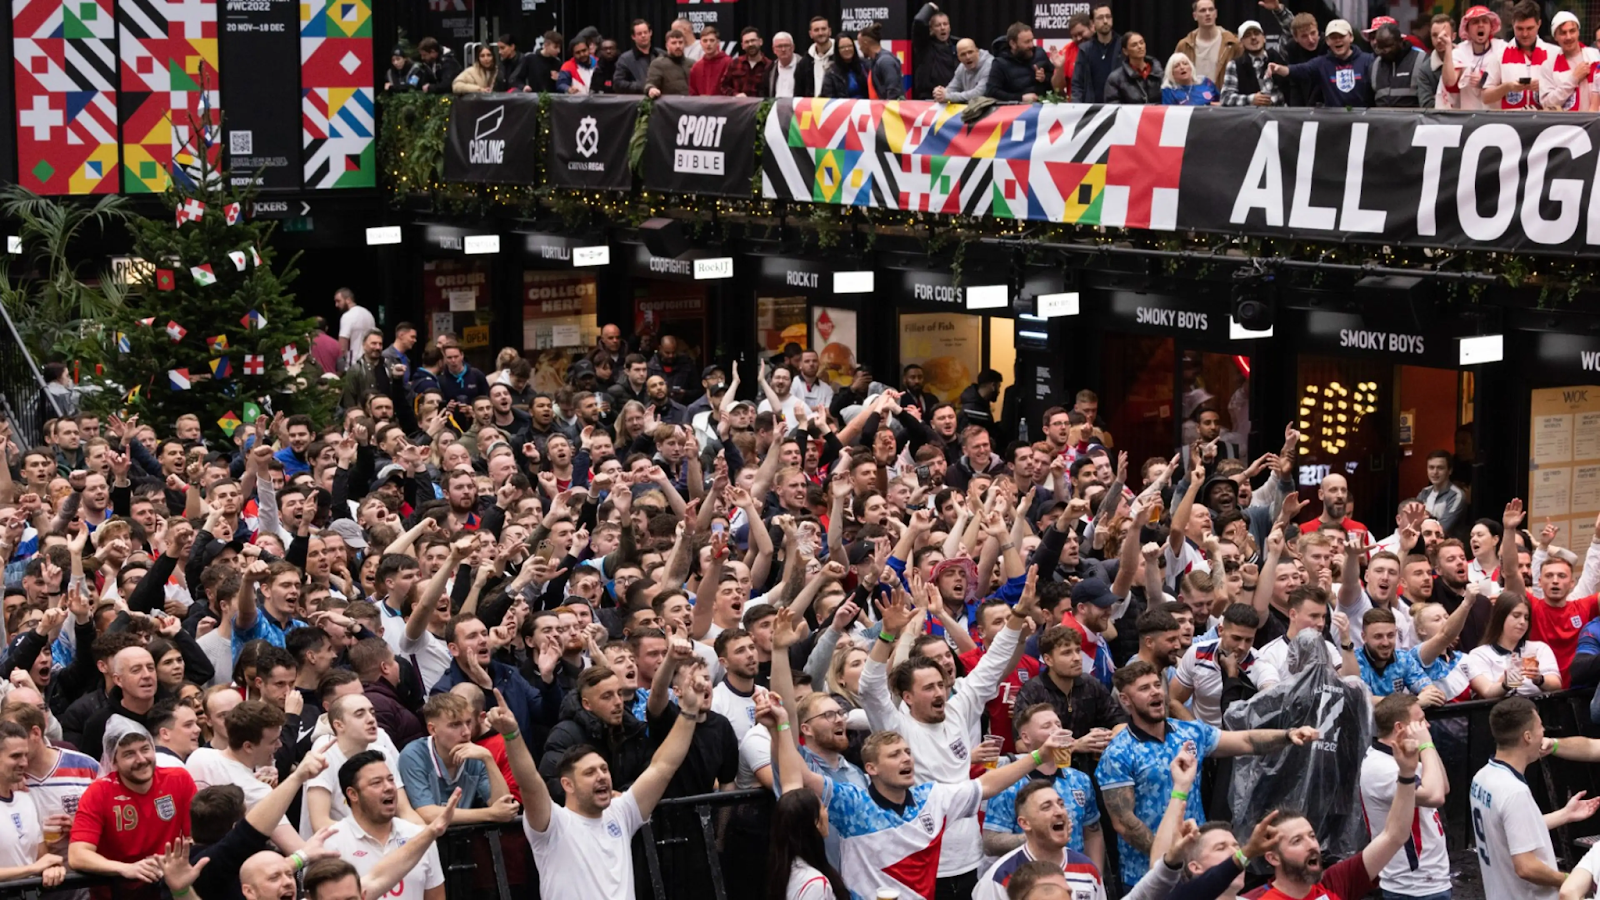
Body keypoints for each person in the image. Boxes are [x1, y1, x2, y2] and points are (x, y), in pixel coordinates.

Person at [495, 656, 707, 900]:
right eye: (589, 772)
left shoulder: (622, 812)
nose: (602, 777)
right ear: (567, 784)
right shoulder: (553, 824)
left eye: (604, 769)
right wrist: (511, 735)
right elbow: (530, 781)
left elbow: (663, 766)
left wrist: (689, 711)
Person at [1097, 661, 1320, 889]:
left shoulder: (1190, 732)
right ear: (1125, 700)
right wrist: (1172, 857)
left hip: (1200, 868)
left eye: (1157, 685)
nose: (1155, 691)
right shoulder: (1118, 752)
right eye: (1144, 689)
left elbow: (1245, 740)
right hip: (1145, 876)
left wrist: (1288, 734)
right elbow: (1124, 822)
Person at [1471, 697, 1600, 899]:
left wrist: (1565, 814)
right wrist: (1570, 879)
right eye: (1540, 726)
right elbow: (1526, 867)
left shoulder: (1482, 777)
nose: (1544, 733)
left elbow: (1511, 830)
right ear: (1528, 737)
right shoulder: (1515, 792)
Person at [69, 719, 197, 900]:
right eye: (129, 754)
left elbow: (197, 837)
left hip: (168, 888)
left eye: (145, 749)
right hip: (116, 894)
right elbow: (77, 855)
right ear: (114, 760)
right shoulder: (99, 792)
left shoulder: (178, 778)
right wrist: (126, 868)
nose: (141, 760)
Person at [1358, 694, 1450, 900]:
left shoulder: (1399, 755)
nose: (1427, 725)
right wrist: (1426, 745)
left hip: (1429, 878)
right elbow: (1435, 796)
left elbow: (1443, 786)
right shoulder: (1382, 767)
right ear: (1400, 728)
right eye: (1420, 721)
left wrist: (1427, 746)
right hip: (1411, 885)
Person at [320, 750, 446, 900]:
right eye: (376, 783)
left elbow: (436, 896)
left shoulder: (420, 837)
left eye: (391, 779)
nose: (389, 787)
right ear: (353, 794)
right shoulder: (330, 844)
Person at [975, 780, 1107, 900]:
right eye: (1046, 807)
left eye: (1061, 804)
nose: (1059, 811)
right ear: (1025, 823)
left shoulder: (1087, 869)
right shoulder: (1000, 876)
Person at [0, 720, 65, 886]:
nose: (24, 763)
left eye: (25, 755)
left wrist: (52, 868)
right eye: (15, 756)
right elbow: (36, 865)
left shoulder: (24, 800)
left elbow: (41, 857)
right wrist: (33, 869)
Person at [1268, 19, 1373, 107]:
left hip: (1363, 122)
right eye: (1333, 37)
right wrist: (1278, 68)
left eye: (1341, 36)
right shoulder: (1322, 63)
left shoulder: (1368, 60)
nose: (1337, 40)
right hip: (1334, 124)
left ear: (1351, 37)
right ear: (1327, 41)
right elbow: (1299, 70)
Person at [764, 788, 847, 900]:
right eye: (823, 808)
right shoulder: (815, 884)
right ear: (816, 822)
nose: (826, 812)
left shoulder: (782, 870)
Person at [1481, 0, 1556, 110]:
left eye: (1529, 28)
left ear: (1538, 24)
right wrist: (1507, 87)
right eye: (1520, 28)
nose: (1525, 34)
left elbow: (1567, 93)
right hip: (1510, 124)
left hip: (1545, 123)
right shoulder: (1499, 55)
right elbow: (1485, 97)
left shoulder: (1553, 53)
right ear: (1512, 24)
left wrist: (1544, 86)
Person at [1436, 5, 1506, 110]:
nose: (1481, 25)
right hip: (1470, 119)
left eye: (1485, 21)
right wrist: (1448, 47)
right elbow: (1449, 81)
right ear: (1467, 29)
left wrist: (1484, 82)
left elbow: (1511, 81)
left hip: (1497, 117)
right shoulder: (1460, 51)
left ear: (1491, 27)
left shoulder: (1502, 48)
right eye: (1475, 22)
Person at [1174, 0, 1240, 85]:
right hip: (1193, 96)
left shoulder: (1232, 43)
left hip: (1222, 96)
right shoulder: (1184, 45)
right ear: (1195, 16)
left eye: (1211, 9)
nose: (1208, 13)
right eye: (1203, 10)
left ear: (1216, 13)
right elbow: (1173, 75)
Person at [987, 23, 1053, 103]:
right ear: (1013, 44)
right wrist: (1020, 98)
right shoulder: (1000, 63)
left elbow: (1053, 79)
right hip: (1016, 111)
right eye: (1027, 42)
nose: (1031, 45)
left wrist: (1044, 78)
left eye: (1032, 40)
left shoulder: (1040, 53)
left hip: (1043, 107)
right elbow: (992, 91)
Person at [1071, 4, 1122, 103]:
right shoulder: (1085, 49)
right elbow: (1077, 84)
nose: (1105, 21)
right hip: (1092, 111)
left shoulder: (1123, 46)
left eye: (1108, 17)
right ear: (1092, 23)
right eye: (1100, 18)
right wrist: (1076, 108)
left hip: (1118, 109)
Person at [1369, 23, 1426, 107]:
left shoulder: (1420, 59)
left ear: (1400, 41)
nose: (1384, 51)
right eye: (1380, 47)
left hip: (1412, 119)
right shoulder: (1375, 66)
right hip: (1382, 119)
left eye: (1388, 46)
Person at [912, 4, 958, 100]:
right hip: (929, 99)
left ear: (950, 27)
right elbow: (919, 21)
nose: (942, 28)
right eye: (938, 25)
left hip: (953, 98)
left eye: (945, 24)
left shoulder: (958, 45)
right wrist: (929, 7)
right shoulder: (924, 45)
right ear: (931, 29)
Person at [1103, 33, 1162, 103]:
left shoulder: (1159, 72)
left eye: (1142, 43)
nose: (1140, 47)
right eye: (1134, 45)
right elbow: (1113, 106)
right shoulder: (1116, 78)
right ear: (1125, 51)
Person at [1417, 450, 1465, 533]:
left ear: (1449, 471)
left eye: (1440, 468)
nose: (1435, 472)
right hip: (1423, 542)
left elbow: (1442, 528)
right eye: (1431, 467)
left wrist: (1426, 516)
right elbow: (1412, 521)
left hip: (1448, 544)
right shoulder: (1424, 492)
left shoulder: (1456, 495)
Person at [937, 38, 992, 103]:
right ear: (958, 57)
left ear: (977, 51)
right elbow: (953, 87)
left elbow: (978, 93)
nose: (967, 57)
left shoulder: (990, 65)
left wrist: (948, 97)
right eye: (963, 54)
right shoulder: (961, 67)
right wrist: (940, 93)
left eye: (970, 52)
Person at [615, 19, 662, 94]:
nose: (643, 36)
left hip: (661, 100)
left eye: (645, 32)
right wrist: (643, 87)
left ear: (650, 33)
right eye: (639, 34)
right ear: (633, 37)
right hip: (637, 101)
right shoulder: (625, 59)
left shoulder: (661, 54)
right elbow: (618, 83)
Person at [720, 27, 770, 97]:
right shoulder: (735, 63)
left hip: (760, 106)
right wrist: (736, 94)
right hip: (739, 106)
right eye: (747, 42)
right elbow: (724, 86)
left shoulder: (769, 66)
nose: (750, 44)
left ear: (760, 42)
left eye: (753, 40)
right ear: (742, 46)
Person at [335, 289, 376, 371]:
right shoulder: (368, 314)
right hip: (370, 363)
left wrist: (340, 368)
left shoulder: (347, 316)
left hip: (353, 364)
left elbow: (342, 345)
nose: (336, 305)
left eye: (338, 301)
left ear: (348, 300)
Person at [688, 26, 731, 96]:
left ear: (718, 43)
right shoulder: (696, 67)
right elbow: (692, 93)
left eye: (712, 40)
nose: (708, 44)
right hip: (702, 106)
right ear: (700, 43)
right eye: (705, 41)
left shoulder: (728, 63)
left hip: (723, 106)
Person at [767, 31, 804, 98]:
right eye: (779, 46)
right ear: (774, 49)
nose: (783, 49)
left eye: (786, 45)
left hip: (798, 107)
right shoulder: (770, 68)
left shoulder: (803, 66)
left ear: (793, 47)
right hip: (776, 107)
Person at [804, 16, 834, 96]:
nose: (820, 33)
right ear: (811, 34)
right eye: (816, 30)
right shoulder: (805, 62)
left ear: (830, 31)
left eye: (823, 29)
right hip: (811, 107)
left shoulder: (840, 57)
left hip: (837, 107)